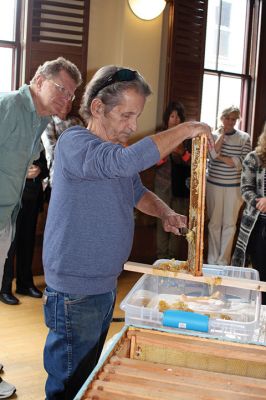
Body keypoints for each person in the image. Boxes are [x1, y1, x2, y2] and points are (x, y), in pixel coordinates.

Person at [42, 65, 213, 399]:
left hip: (103, 282)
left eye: (138, 116)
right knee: (68, 382)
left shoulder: (113, 153)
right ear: (97, 108)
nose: (133, 125)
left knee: (89, 373)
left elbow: (135, 191)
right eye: (126, 115)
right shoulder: (75, 142)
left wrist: (164, 211)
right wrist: (186, 129)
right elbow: (122, 165)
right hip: (76, 288)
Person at [0, 57, 81, 398]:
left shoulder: (41, 119)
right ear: (37, 80)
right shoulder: (7, 105)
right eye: (63, 89)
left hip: (7, 217)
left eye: (73, 94)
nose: (68, 99)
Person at [0, 149, 49, 305]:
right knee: (9, 245)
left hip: (32, 197)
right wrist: (22, 172)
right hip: (10, 198)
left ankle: (25, 284)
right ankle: (4, 289)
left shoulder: (36, 141)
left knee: (27, 242)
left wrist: (39, 170)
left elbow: (45, 166)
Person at [206, 106, 251, 266]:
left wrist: (221, 157)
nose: (230, 122)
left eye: (233, 119)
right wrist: (222, 135)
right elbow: (211, 155)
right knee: (214, 223)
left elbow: (241, 162)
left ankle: (223, 262)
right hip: (213, 185)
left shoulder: (244, 137)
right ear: (222, 118)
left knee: (230, 225)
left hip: (234, 187)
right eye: (227, 118)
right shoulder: (213, 135)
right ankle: (212, 261)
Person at [232, 122, 266, 304]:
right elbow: (245, 189)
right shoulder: (253, 158)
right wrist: (260, 203)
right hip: (257, 224)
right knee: (260, 272)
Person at [154, 101, 191, 260]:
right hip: (162, 185)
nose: (175, 120)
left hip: (180, 187)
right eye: (172, 116)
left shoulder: (188, 138)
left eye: (178, 117)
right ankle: (161, 258)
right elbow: (153, 162)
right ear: (167, 118)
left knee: (178, 222)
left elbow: (191, 162)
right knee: (162, 220)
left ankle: (172, 259)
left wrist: (182, 152)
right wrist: (167, 150)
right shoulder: (158, 135)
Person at [42, 100, 84, 190]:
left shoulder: (77, 121)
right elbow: (52, 150)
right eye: (63, 102)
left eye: (70, 102)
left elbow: (85, 146)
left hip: (79, 173)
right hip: (57, 173)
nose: (67, 104)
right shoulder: (48, 121)